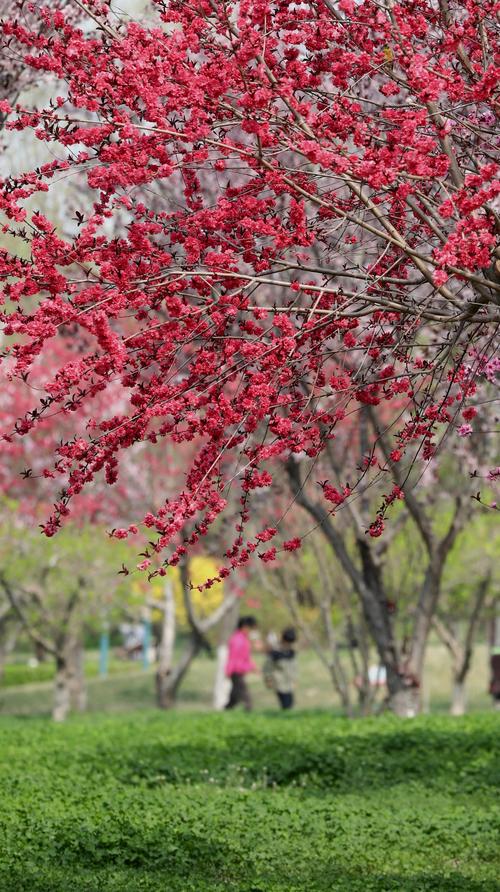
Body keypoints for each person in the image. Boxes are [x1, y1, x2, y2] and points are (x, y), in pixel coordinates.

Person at [224, 616, 258, 711]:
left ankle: (227, 709)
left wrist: (253, 667)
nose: (250, 631)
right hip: (236, 670)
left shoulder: (243, 639)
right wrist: (229, 670)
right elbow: (233, 657)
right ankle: (249, 710)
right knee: (244, 693)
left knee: (234, 696)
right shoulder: (237, 639)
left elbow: (246, 657)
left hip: (240, 670)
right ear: (244, 627)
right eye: (250, 628)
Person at [263, 627, 298, 710]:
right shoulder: (275, 652)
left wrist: (295, 679)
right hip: (279, 682)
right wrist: (268, 679)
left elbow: (294, 667)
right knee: (286, 704)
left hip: (289, 683)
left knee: (290, 703)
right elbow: (267, 667)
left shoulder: (291, 652)